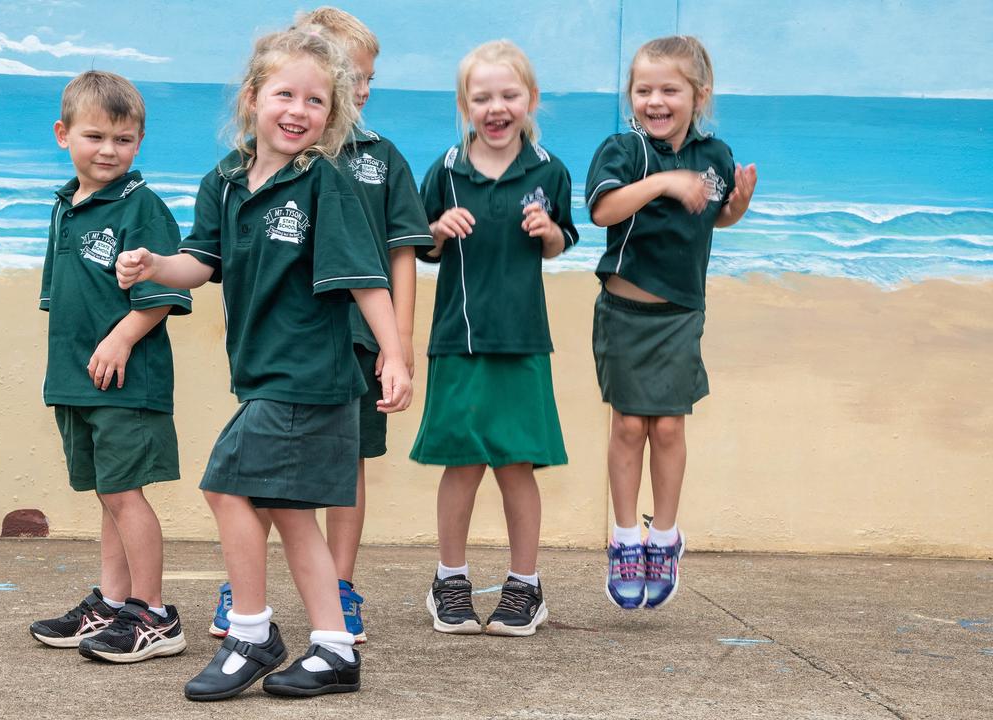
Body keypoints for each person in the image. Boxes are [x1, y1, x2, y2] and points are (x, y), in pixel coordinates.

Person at [116, 28, 411, 700]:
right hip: (264, 374)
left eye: (316, 102)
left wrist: (393, 356)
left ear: (331, 117)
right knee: (287, 508)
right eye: (285, 94)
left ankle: (251, 633)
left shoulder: (324, 185)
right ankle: (335, 650)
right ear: (253, 98)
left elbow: (367, 278)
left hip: (310, 374)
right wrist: (155, 265)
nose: (298, 110)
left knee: (227, 485)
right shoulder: (223, 180)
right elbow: (202, 261)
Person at [206, 6, 434, 647]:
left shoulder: (376, 159)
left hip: (359, 340)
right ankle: (255, 591)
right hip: (287, 344)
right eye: (348, 75)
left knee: (339, 465)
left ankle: (338, 587)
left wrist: (400, 345)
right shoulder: (260, 164)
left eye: (365, 79)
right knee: (271, 476)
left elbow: (395, 257)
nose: (358, 90)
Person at [585, 35, 757, 610]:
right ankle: (625, 537)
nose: (654, 101)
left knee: (669, 429)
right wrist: (661, 181)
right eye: (643, 90)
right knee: (629, 426)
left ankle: (665, 537)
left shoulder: (715, 154)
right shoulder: (623, 149)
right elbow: (604, 210)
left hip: (681, 314)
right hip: (624, 313)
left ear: (698, 95)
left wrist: (737, 206)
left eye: (669, 90)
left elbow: (711, 218)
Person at [412, 40, 577, 637]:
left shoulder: (548, 169)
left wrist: (548, 229)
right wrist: (437, 228)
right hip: (457, 339)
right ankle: (449, 580)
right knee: (461, 463)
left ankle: (524, 586)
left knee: (516, 466)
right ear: (465, 105)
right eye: (482, 97)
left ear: (529, 100)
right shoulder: (446, 170)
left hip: (523, 341)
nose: (496, 107)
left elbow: (563, 241)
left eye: (509, 95)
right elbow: (419, 246)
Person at [27, 71, 193, 663]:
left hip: (127, 382)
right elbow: (62, 297)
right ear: (62, 134)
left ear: (139, 142)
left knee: (125, 494)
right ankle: (112, 602)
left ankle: (152, 614)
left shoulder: (141, 208)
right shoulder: (65, 207)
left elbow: (168, 293)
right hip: (78, 377)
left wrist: (122, 340)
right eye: (94, 136)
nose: (107, 150)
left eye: (123, 139)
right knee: (107, 492)